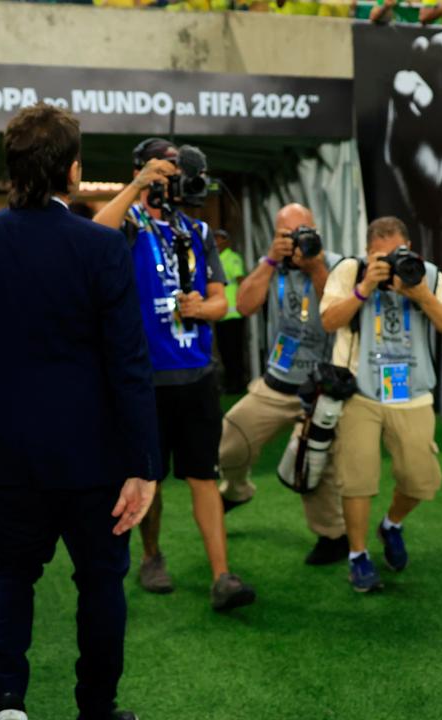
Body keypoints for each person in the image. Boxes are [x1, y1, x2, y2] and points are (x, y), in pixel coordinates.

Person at [0, 104, 160, 720]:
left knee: (8, 574)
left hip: (9, 452)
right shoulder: (100, 246)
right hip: (97, 459)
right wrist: (144, 462)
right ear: (73, 170)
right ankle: (96, 708)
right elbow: (128, 363)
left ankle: (6, 704)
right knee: (100, 584)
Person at [93, 138, 256, 611]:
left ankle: (222, 575)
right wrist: (137, 185)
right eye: (161, 170)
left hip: (196, 373)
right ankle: (151, 556)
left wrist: (201, 308)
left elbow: (221, 302)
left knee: (203, 476)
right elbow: (92, 237)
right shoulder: (128, 224)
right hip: (143, 377)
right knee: (150, 477)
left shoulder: (197, 229)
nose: (171, 179)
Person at [319, 217, 442, 592]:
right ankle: (358, 556)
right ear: (368, 254)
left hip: (412, 391)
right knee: (358, 478)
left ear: (410, 250)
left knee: (421, 480)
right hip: (360, 391)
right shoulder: (351, 271)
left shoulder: (426, 275)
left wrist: (420, 295)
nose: (391, 263)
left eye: (399, 254)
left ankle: (391, 525)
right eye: (381, 257)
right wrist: (365, 286)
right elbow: (329, 320)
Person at [218, 204, 349, 565]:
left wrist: (316, 266)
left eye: (302, 231)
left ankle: (332, 536)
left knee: (313, 463)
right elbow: (243, 306)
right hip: (276, 381)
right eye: (286, 234)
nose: (295, 241)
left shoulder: (338, 265)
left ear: (316, 231)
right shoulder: (272, 268)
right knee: (229, 441)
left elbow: (338, 314)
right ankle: (237, 489)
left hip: (320, 387)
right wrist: (268, 261)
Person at [215, 229, 248, 394]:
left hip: (233, 314)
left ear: (226, 241)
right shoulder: (215, 259)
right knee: (225, 352)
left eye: (219, 238)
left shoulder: (232, 258)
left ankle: (238, 383)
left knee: (234, 351)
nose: (216, 241)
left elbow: (241, 281)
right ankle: (229, 383)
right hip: (220, 315)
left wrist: (244, 304)